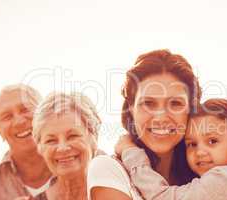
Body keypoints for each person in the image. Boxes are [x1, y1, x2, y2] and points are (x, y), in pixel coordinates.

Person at [86, 49, 202, 200]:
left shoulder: (209, 173)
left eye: (175, 103)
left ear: (191, 111)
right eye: (148, 103)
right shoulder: (109, 170)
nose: (160, 117)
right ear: (131, 109)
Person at [116, 98, 227, 200]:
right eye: (192, 144)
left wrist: (130, 151)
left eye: (212, 141)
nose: (199, 152)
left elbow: (161, 196)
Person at [0, 84, 52, 200]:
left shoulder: (78, 170)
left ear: (46, 116)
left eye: (25, 109)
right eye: (7, 117)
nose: (19, 121)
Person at [32, 92, 102, 200]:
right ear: (40, 148)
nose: (62, 148)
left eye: (73, 136)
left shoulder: (118, 192)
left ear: (93, 138)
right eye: (51, 140)